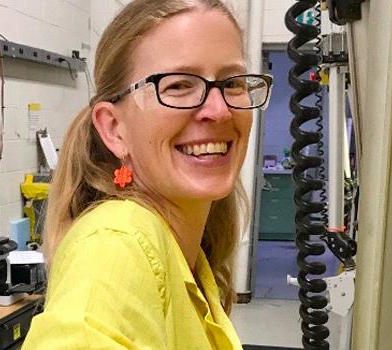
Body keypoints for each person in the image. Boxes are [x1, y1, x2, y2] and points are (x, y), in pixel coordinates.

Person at [23, 0, 272, 348]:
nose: (219, 110)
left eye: (232, 83)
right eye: (179, 86)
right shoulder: (114, 246)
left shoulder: (185, 253)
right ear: (114, 128)